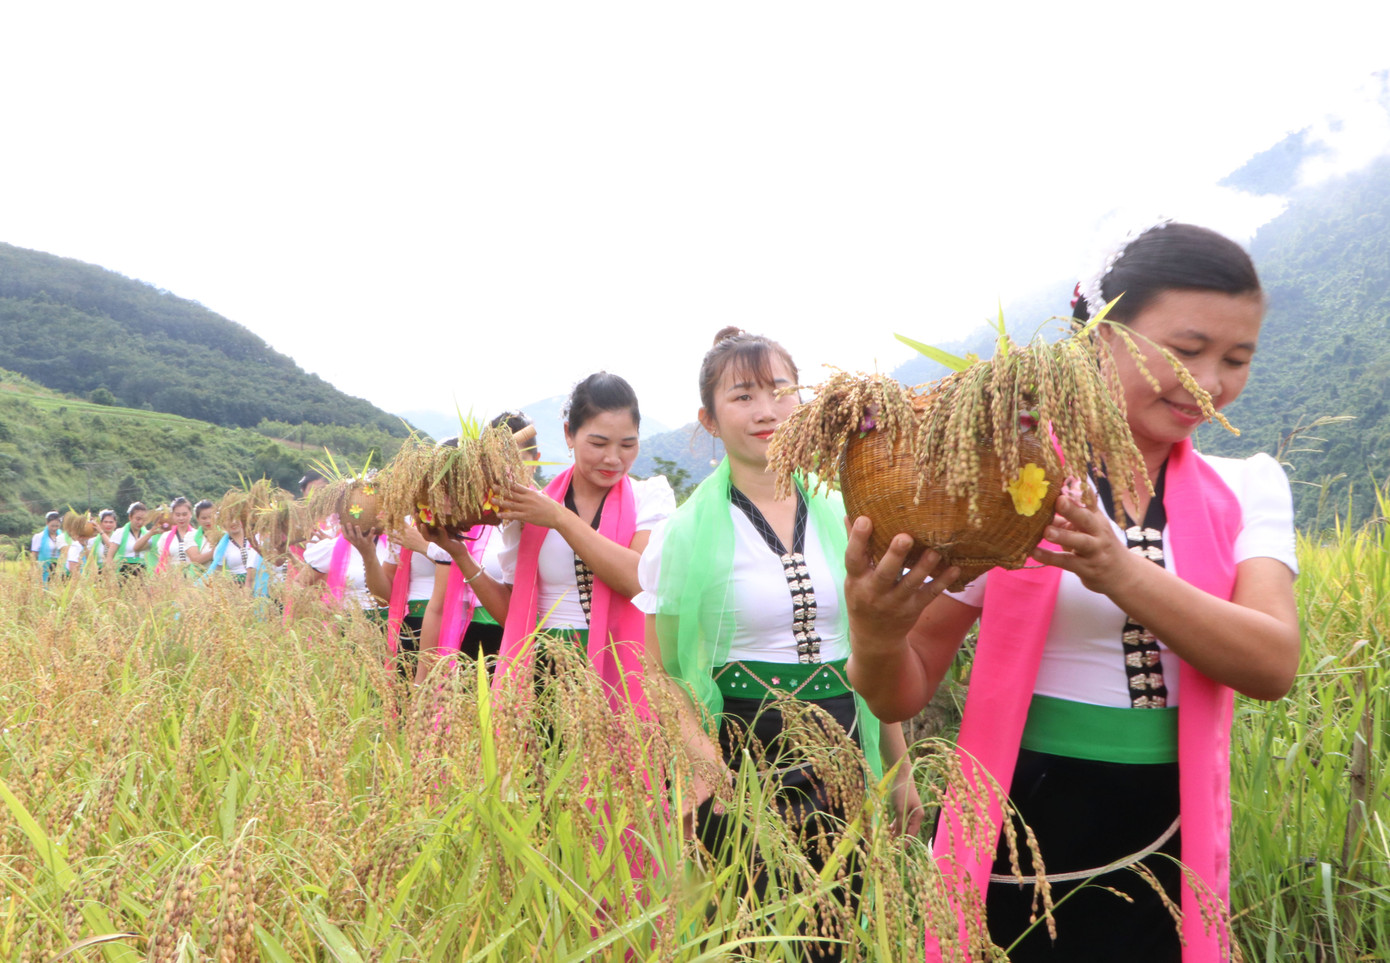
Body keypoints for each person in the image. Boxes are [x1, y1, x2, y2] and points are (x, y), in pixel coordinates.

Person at [844, 224, 1300, 962]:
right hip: (1019, 826)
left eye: (1235, 359)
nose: (1208, 383)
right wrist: (874, 633)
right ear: (1099, 337)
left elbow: (1272, 662)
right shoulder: (1009, 489)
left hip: (1169, 836)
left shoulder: (1249, 486)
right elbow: (902, 688)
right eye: (1184, 351)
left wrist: (1120, 572)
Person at [635, 329, 924, 961]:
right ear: (709, 419)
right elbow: (660, 672)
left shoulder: (851, 512)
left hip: (847, 741)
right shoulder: (683, 534)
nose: (766, 410)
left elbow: (874, 649)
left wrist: (899, 767)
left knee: (844, 927)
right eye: (743, 395)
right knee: (752, 930)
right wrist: (701, 763)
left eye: (780, 390)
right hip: (742, 749)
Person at [480, 374, 674, 714]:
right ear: (569, 434)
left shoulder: (650, 498)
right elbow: (514, 611)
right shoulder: (530, 509)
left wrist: (559, 518)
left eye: (627, 445)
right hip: (541, 673)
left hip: (620, 672)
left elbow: (638, 580)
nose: (613, 458)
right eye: (598, 444)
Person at [416, 411, 537, 682]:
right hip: (470, 644)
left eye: (519, 461)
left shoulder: (547, 520)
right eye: (499, 462)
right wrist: (421, 680)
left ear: (536, 461)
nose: (509, 472)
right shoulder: (468, 523)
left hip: (530, 646)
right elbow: (438, 607)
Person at [107, 502, 156, 577]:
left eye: (144, 520)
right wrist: (110, 574)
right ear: (130, 517)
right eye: (138, 519)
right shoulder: (120, 533)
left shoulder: (147, 534)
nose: (140, 522)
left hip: (143, 570)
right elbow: (110, 556)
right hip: (123, 570)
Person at [156, 497, 199, 572]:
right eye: (178, 515)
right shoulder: (165, 537)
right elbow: (162, 560)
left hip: (194, 577)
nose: (181, 518)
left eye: (184, 514)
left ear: (190, 514)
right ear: (173, 515)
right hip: (173, 578)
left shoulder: (197, 535)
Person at [30, 512, 68, 583]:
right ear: (47, 523)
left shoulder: (62, 537)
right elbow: (33, 555)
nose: (54, 528)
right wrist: (33, 570)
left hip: (59, 568)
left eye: (57, 526)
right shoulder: (39, 537)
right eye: (52, 526)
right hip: (44, 568)